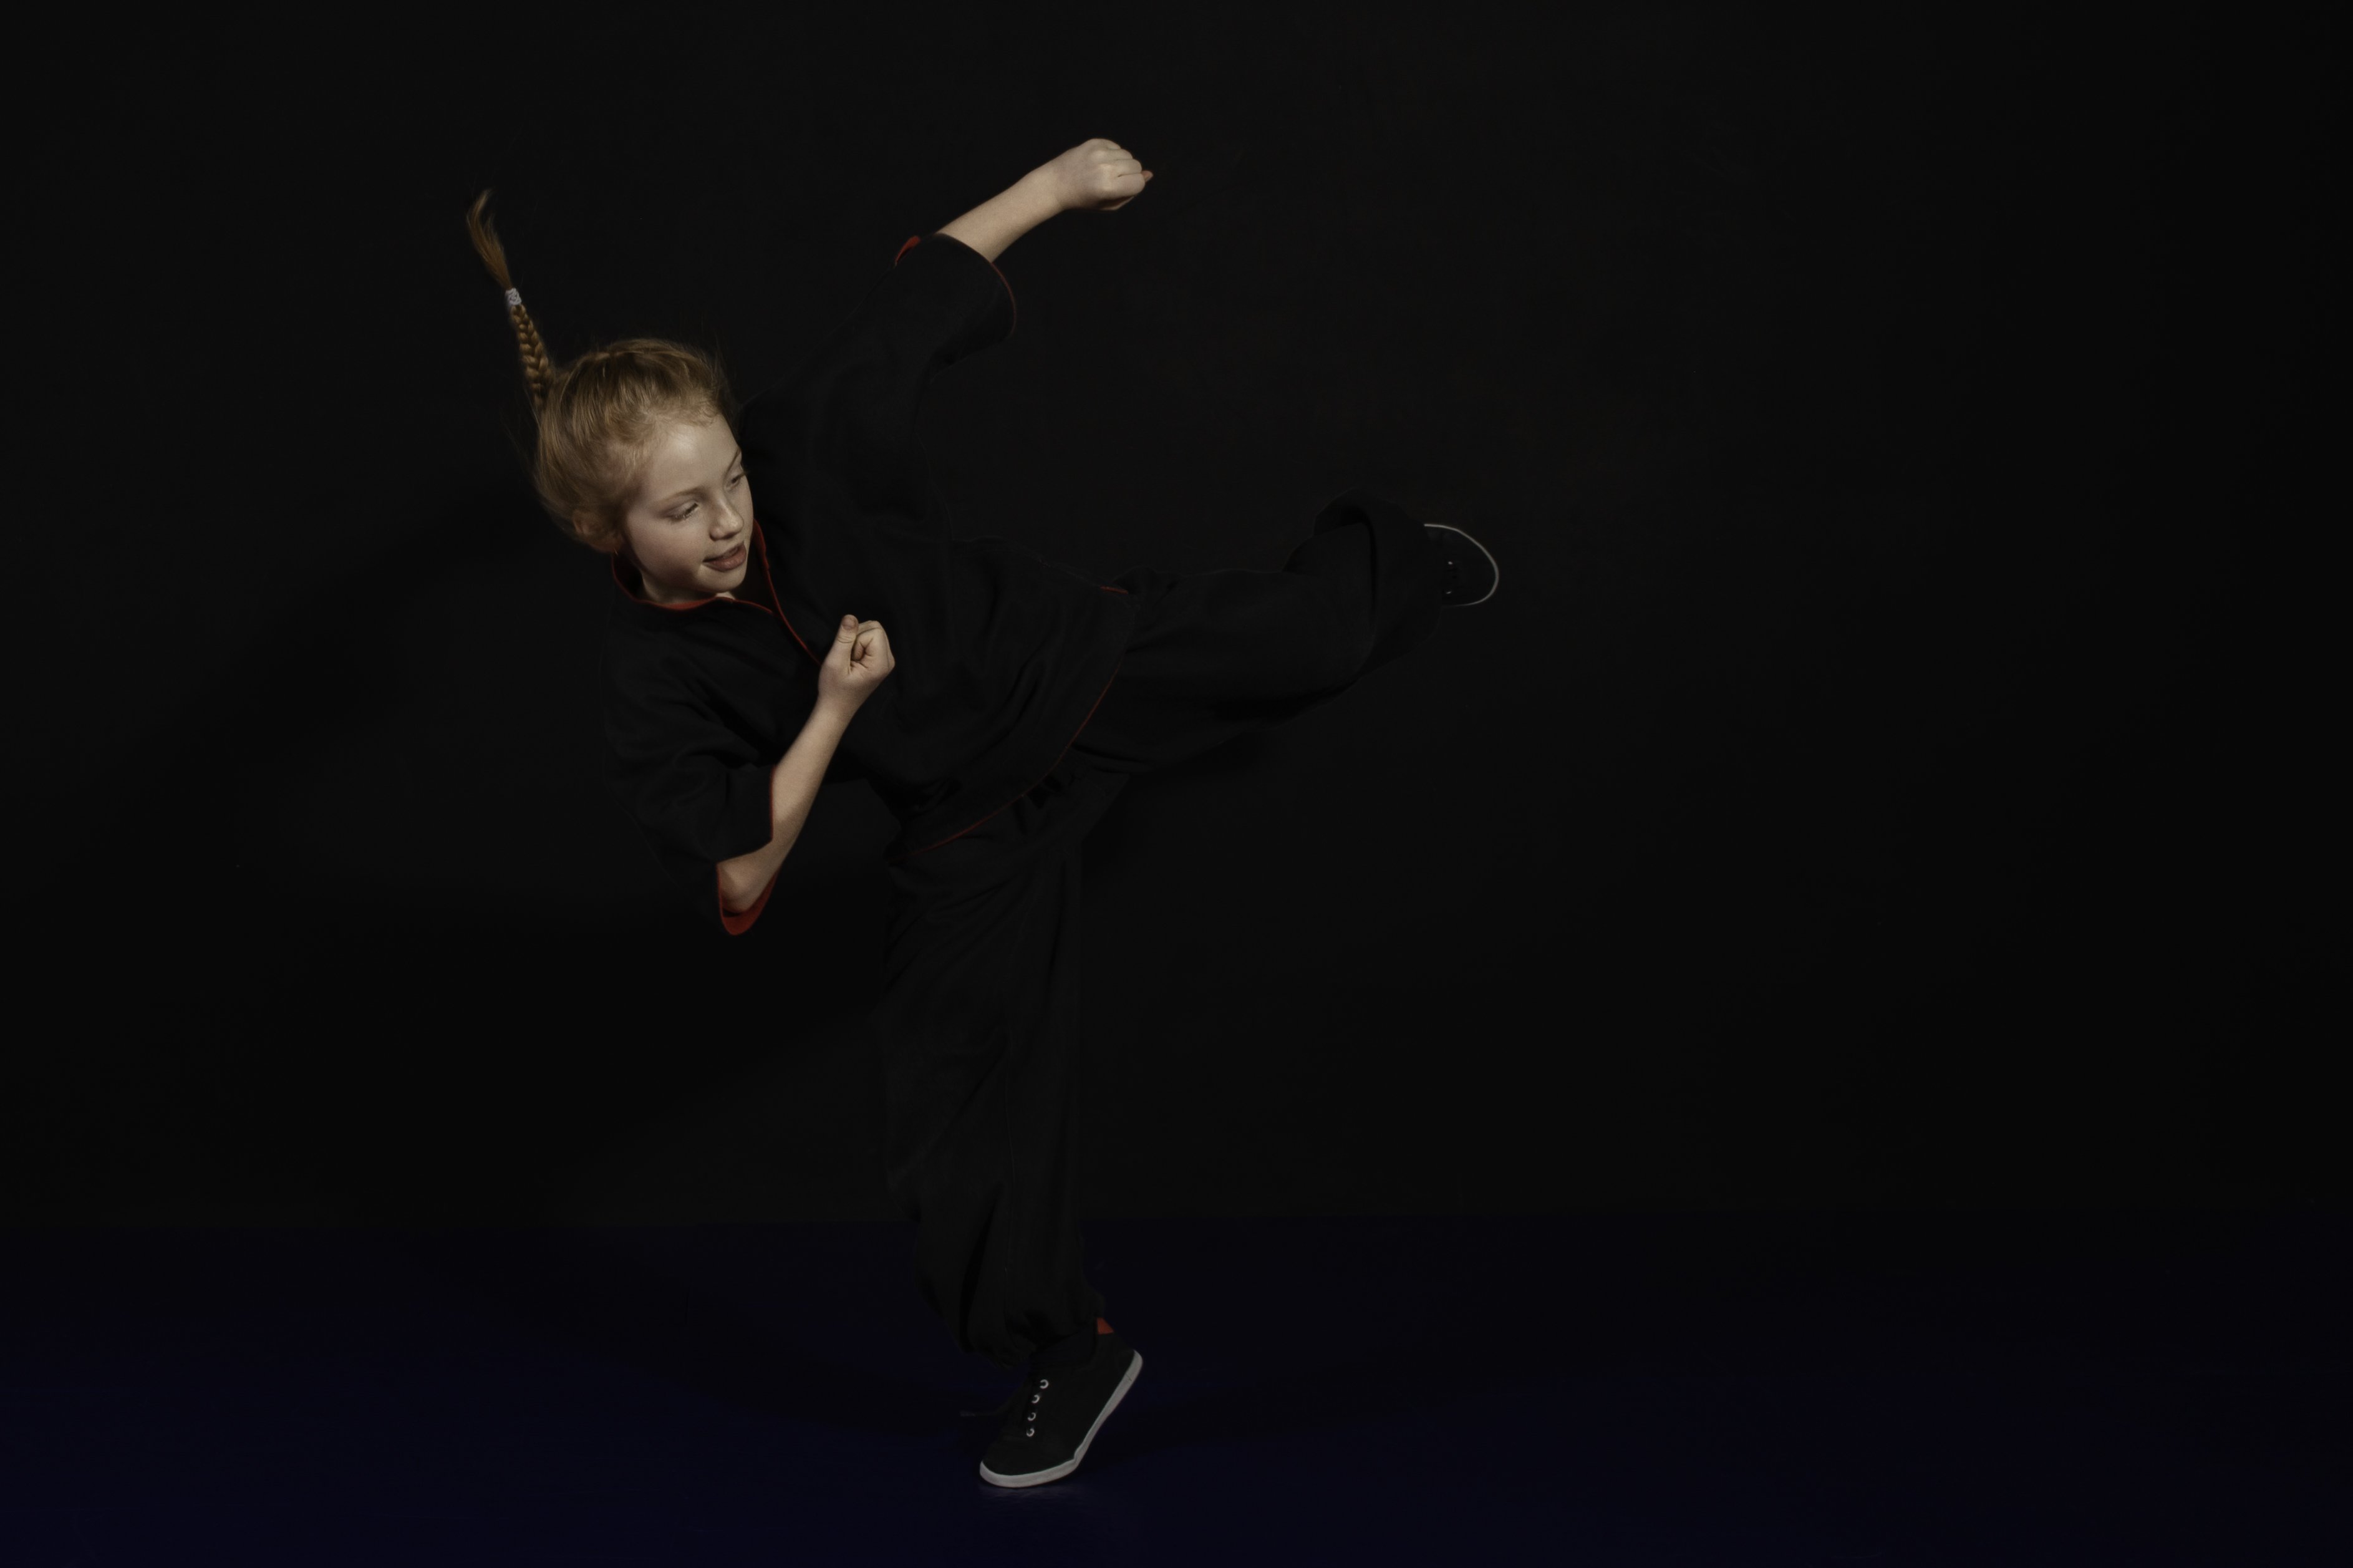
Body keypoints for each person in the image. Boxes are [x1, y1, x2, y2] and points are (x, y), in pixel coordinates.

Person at [466, 138, 1499, 1489]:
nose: (726, 519)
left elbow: (918, 299)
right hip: (963, 817)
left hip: (1060, 664)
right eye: (683, 507)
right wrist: (832, 714)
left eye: (730, 480)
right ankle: (1068, 1351)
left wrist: (1061, 185)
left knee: (1312, 640)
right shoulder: (652, 680)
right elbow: (739, 873)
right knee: (953, 1124)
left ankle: (1397, 562)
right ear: (605, 531)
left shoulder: (802, 441)